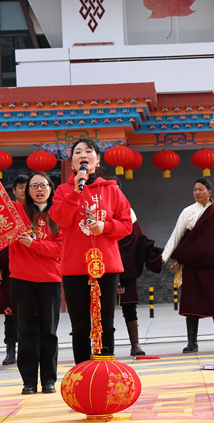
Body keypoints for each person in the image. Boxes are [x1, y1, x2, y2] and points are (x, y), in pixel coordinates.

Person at [49, 139, 133, 363]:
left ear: (97, 159)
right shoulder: (63, 190)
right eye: (78, 152)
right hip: (75, 266)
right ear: (73, 163)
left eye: (88, 151)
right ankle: (83, 374)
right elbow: (59, 219)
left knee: (105, 323)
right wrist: (76, 192)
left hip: (106, 265)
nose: (83, 155)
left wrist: (106, 226)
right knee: (80, 327)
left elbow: (127, 225)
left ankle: (105, 374)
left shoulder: (112, 189)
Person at [162, 178, 214, 353]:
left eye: (200, 189)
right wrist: (163, 258)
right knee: (192, 305)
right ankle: (192, 342)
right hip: (192, 267)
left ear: (209, 192)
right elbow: (175, 236)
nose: (197, 192)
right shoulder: (188, 211)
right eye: (194, 190)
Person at [9, 171, 63, 395]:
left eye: (44, 185)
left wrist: (34, 245)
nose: (39, 189)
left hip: (50, 279)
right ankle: (28, 381)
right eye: (34, 186)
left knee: (49, 331)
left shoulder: (59, 215)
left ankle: (49, 379)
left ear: (51, 188)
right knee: (25, 331)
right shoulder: (15, 212)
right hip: (21, 278)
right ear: (26, 191)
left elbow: (61, 249)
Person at [0, 174, 28, 366]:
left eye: (26, 187)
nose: (23, 190)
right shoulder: (5, 211)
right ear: (13, 191)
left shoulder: (38, 210)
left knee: (33, 313)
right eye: (20, 187)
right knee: (10, 314)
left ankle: (31, 347)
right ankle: (10, 349)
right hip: (10, 268)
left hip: (32, 267)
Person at [117, 207, 163, 356]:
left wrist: (156, 256)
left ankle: (135, 344)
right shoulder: (99, 209)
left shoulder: (128, 211)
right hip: (104, 266)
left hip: (126, 267)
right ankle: (104, 345)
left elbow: (140, 239)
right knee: (102, 310)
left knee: (130, 308)